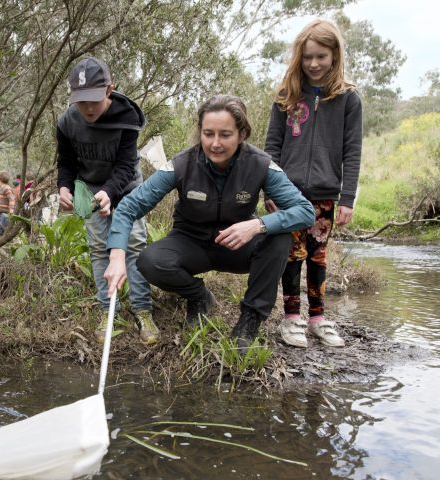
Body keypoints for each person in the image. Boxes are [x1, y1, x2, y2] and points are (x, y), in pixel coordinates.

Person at [104, 94, 315, 352]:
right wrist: (116, 255)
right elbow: (128, 207)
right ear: (200, 132)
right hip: (191, 243)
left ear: (242, 134)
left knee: (280, 235)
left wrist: (256, 225)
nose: (215, 143)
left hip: (237, 245)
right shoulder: (181, 165)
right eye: (208, 134)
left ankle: (249, 320)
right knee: (149, 261)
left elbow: (305, 211)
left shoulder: (260, 165)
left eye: (225, 135)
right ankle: (198, 296)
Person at [264, 19, 362, 348]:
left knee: (317, 257)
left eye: (321, 56)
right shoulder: (286, 95)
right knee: (291, 255)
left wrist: (346, 198)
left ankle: (318, 317)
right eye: (307, 57)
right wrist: (270, 191)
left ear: (335, 55)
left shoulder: (348, 98)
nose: (314, 64)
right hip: (288, 194)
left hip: (325, 194)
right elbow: (271, 148)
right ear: (299, 57)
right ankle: (292, 318)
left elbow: (353, 151)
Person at [57, 57, 156, 345]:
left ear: (109, 90)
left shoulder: (127, 118)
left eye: (94, 101)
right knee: (100, 249)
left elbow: (126, 166)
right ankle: (107, 311)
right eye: (81, 101)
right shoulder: (67, 122)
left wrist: (110, 193)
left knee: (134, 245)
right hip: (91, 190)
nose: (88, 108)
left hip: (127, 190)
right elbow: (66, 162)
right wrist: (64, 187)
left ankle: (142, 310)